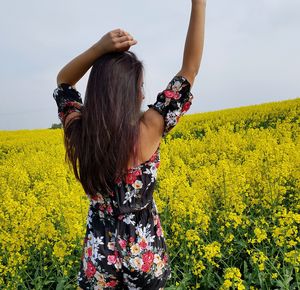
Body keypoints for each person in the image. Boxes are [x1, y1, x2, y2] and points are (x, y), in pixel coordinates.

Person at [52, 0, 206, 289]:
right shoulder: (149, 128)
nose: (142, 93)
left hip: (99, 261)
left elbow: (64, 83)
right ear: (131, 93)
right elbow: (190, 68)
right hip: (144, 258)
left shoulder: (81, 133)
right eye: (139, 87)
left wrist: (99, 49)